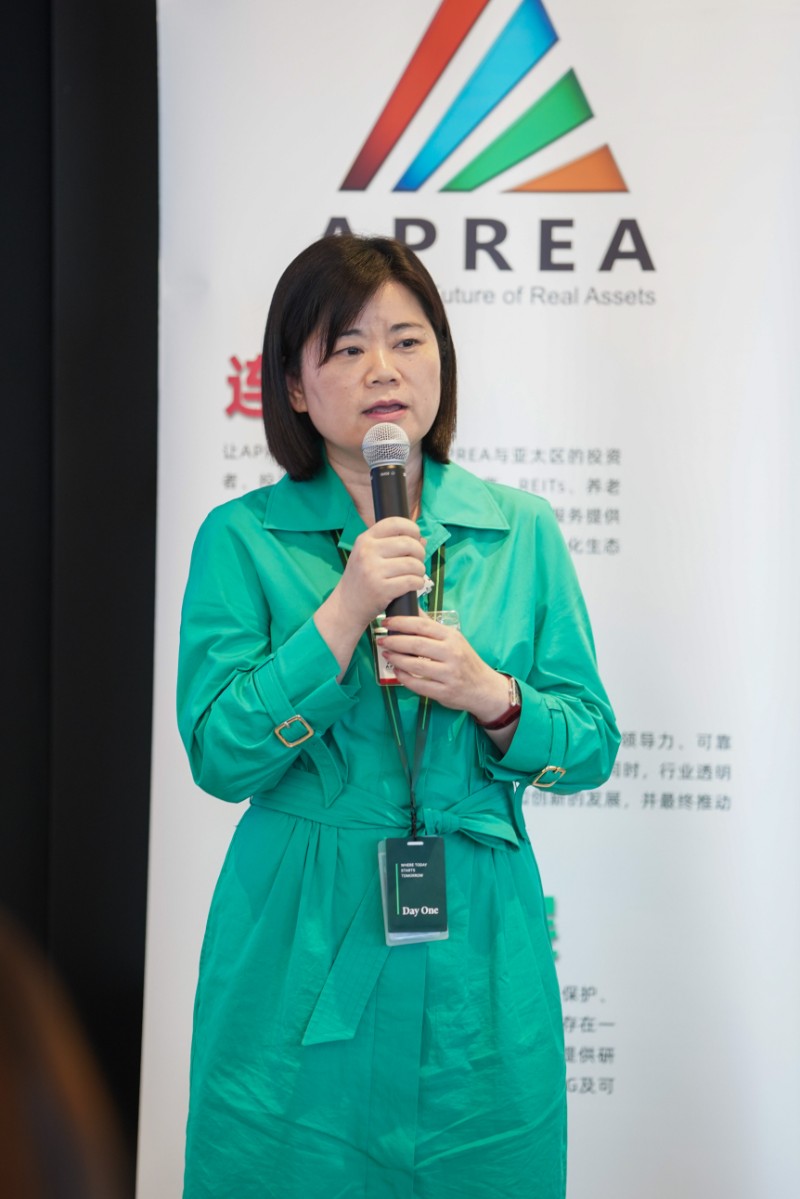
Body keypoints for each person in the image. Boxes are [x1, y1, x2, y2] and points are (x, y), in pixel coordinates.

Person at [177, 234, 619, 1198]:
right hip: (298, 933)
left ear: (441, 364)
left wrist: (493, 696)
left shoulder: (521, 531)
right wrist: (340, 617)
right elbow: (219, 754)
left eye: (408, 341)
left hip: (479, 943)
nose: (383, 368)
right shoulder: (241, 539)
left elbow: (591, 742)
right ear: (294, 388)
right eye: (346, 347)